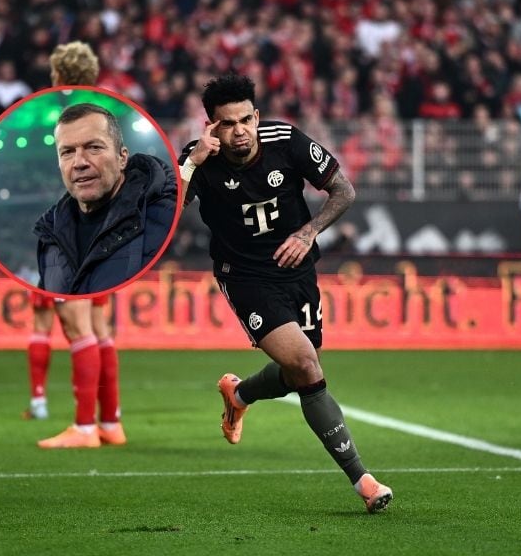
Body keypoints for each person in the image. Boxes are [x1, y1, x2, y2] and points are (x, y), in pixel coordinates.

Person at [177, 74, 392, 513]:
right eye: (227, 123)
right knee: (306, 365)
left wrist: (309, 232)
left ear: (256, 116)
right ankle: (363, 481)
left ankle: (239, 395)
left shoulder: (286, 141)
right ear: (211, 126)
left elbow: (343, 190)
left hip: (298, 270)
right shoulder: (199, 159)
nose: (239, 131)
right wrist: (192, 162)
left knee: (299, 371)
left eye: (245, 120)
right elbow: (167, 211)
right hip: (245, 276)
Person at [30, 41, 126, 449]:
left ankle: (85, 428)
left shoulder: (58, 116)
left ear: (56, 74)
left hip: (72, 234)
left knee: (77, 326)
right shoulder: (106, 114)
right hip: (107, 230)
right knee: (100, 328)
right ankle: (111, 423)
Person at [34, 102, 176, 294]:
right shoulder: (49, 237)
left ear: (122, 158)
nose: (79, 162)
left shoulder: (168, 216)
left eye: (93, 147)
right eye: (67, 152)